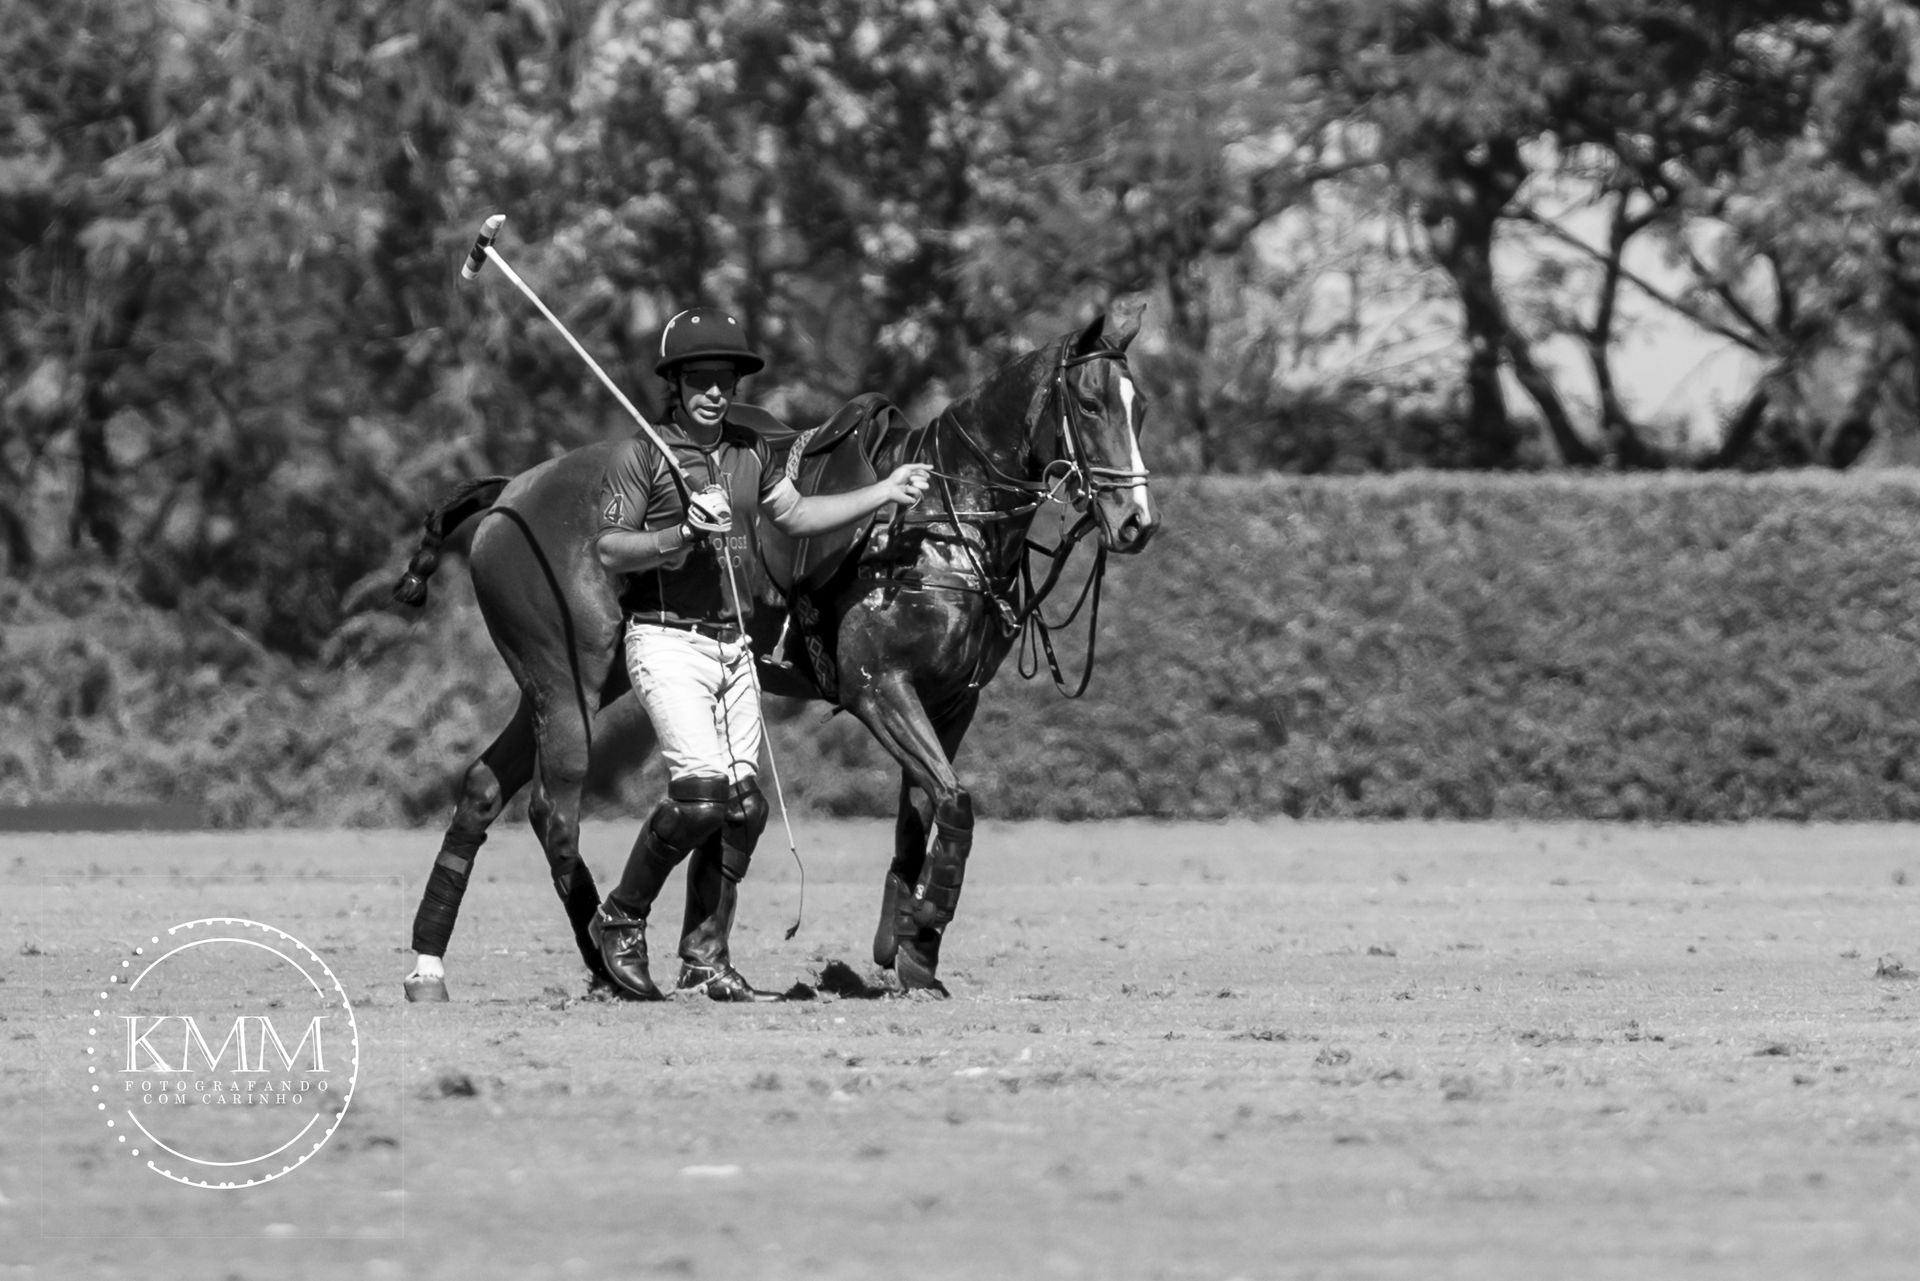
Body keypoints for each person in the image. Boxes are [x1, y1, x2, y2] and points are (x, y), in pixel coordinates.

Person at [590, 306, 931, 1002]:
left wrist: (883, 493)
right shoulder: (644, 453)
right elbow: (607, 547)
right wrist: (681, 531)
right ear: (675, 384)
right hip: (666, 639)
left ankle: (703, 954)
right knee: (701, 796)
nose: (716, 391)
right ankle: (620, 917)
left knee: (744, 806)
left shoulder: (751, 450)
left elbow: (798, 514)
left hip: (732, 644)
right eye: (701, 379)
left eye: (727, 377)